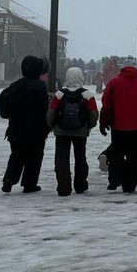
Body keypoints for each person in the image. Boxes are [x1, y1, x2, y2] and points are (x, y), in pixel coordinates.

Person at [99, 60, 137, 194]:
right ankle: (131, 182)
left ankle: (114, 179)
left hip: (118, 125)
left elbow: (106, 104)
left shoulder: (114, 82)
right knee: (136, 153)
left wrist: (103, 122)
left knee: (117, 152)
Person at [0, 56, 51, 193]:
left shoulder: (16, 85)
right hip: (35, 130)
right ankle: (29, 184)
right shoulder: (39, 86)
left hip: (15, 129)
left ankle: (9, 180)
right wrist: (47, 126)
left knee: (16, 156)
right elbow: (44, 109)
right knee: (34, 157)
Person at [47, 67, 98, 197]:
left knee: (61, 159)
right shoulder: (87, 94)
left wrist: (53, 126)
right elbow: (93, 114)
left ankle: (63, 187)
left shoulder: (60, 94)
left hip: (62, 131)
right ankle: (80, 185)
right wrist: (88, 127)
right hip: (80, 131)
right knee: (80, 157)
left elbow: (51, 113)